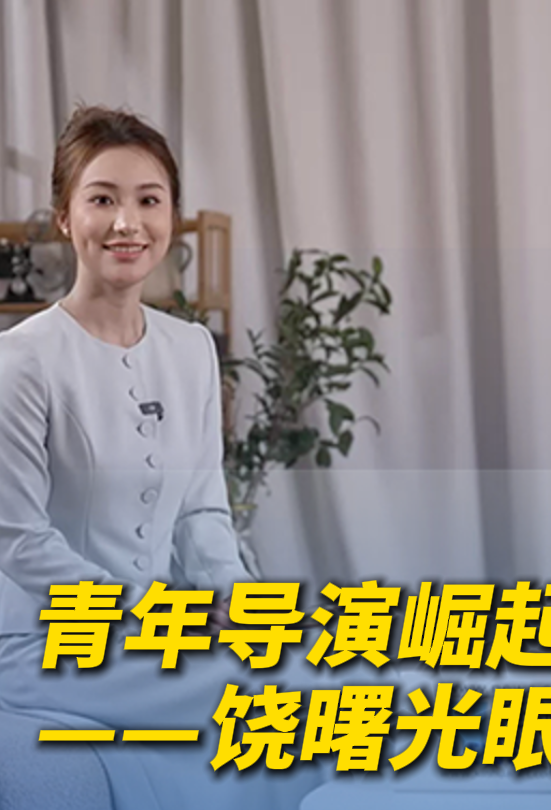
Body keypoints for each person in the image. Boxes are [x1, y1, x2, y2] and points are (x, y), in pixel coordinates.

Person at [0, 106, 321, 809]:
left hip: (157, 636)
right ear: (64, 217)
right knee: (266, 694)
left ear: (172, 215)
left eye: (149, 201)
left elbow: (202, 510)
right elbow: (20, 543)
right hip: (45, 645)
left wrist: (240, 602)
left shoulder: (191, 348)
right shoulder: (20, 362)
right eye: (102, 200)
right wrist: (164, 613)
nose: (127, 223)